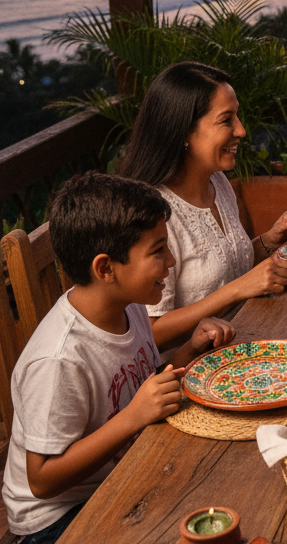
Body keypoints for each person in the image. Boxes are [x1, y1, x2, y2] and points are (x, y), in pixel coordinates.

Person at [2, 172, 235, 544]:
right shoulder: (59, 360)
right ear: (106, 269)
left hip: (120, 470)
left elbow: (138, 381)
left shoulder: (129, 304)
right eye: (158, 251)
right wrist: (133, 417)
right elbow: (42, 479)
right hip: (56, 521)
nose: (171, 260)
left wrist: (190, 349)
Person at [118, 61, 287, 349]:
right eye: (226, 120)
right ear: (183, 132)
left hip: (243, 337)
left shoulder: (216, 181)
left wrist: (269, 241)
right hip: (182, 371)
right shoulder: (150, 214)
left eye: (237, 117)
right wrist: (237, 290)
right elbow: (147, 332)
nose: (241, 131)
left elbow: (222, 267)